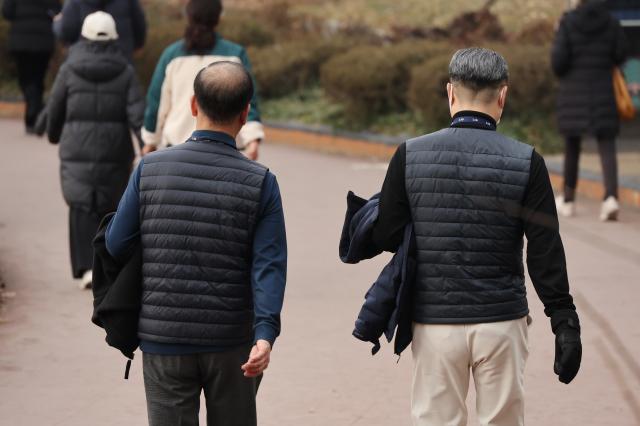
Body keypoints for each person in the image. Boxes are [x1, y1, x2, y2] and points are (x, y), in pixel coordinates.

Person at [372, 48, 582, 426]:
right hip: (501, 320)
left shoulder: (409, 155)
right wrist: (563, 319)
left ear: (450, 92)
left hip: (434, 319)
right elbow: (545, 250)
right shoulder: (527, 161)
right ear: (502, 96)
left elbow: (386, 234)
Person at [104, 61, 287, 426]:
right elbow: (268, 266)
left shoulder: (149, 169)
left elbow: (116, 244)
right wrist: (264, 335)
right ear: (245, 113)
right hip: (232, 341)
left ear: (192, 105)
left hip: (163, 334)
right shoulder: (261, 182)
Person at [45, 11, 144, 289]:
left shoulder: (69, 68)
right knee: (110, 207)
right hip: (115, 150)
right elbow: (137, 112)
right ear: (114, 38)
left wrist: (53, 134)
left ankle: (85, 268)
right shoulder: (125, 71)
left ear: (83, 36)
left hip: (76, 148)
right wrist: (145, 144)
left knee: (80, 205)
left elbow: (56, 107)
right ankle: (105, 267)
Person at [142, 0, 264, 160]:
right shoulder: (235, 54)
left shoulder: (171, 55)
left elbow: (156, 103)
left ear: (188, 16)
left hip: (177, 149)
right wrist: (252, 140)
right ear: (218, 18)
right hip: (227, 152)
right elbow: (248, 100)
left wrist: (151, 141)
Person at [552, 0, 628, 221]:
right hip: (603, 91)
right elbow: (621, 54)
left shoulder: (568, 23)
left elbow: (558, 63)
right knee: (607, 144)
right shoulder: (611, 22)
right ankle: (611, 198)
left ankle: (568, 200)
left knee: (572, 145)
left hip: (573, 93)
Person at [1, 0, 61, 133]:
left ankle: (33, 112)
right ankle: (35, 113)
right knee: (38, 78)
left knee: (26, 79)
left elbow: (7, 12)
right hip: (43, 40)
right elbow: (57, 11)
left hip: (20, 40)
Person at [53, 0, 146, 61]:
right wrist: (138, 45)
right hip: (121, 57)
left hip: (82, 59)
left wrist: (57, 23)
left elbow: (66, 31)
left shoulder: (74, 2)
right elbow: (139, 23)